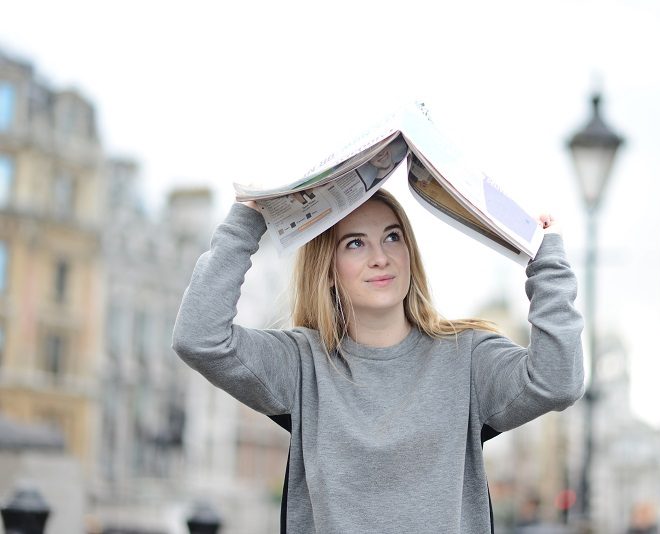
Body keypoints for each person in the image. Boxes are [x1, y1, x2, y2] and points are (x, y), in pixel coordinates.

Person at [172, 188, 584, 533]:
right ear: (329, 269)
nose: (380, 257)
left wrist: (546, 258)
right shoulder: (302, 363)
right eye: (356, 243)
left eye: (392, 237)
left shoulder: (468, 357)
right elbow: (200, 339)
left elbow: (557, 380)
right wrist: (249, 217)